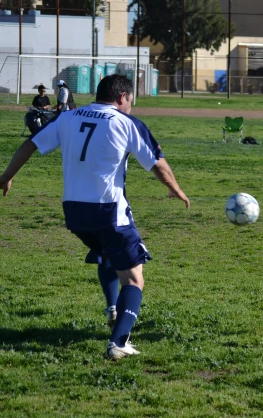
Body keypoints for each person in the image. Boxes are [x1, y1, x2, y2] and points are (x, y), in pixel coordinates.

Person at [0, 74, 190, 360]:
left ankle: (113, 308)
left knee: (107, 254)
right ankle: (119, 342)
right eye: (131, 101)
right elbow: (157, 163)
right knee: (135, 279)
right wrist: (175, 189)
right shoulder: (126, 123)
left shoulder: (69, 117)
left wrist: (6, 178)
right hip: (109, 211)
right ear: (123, 97)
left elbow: (30, 145)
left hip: (74, 212)